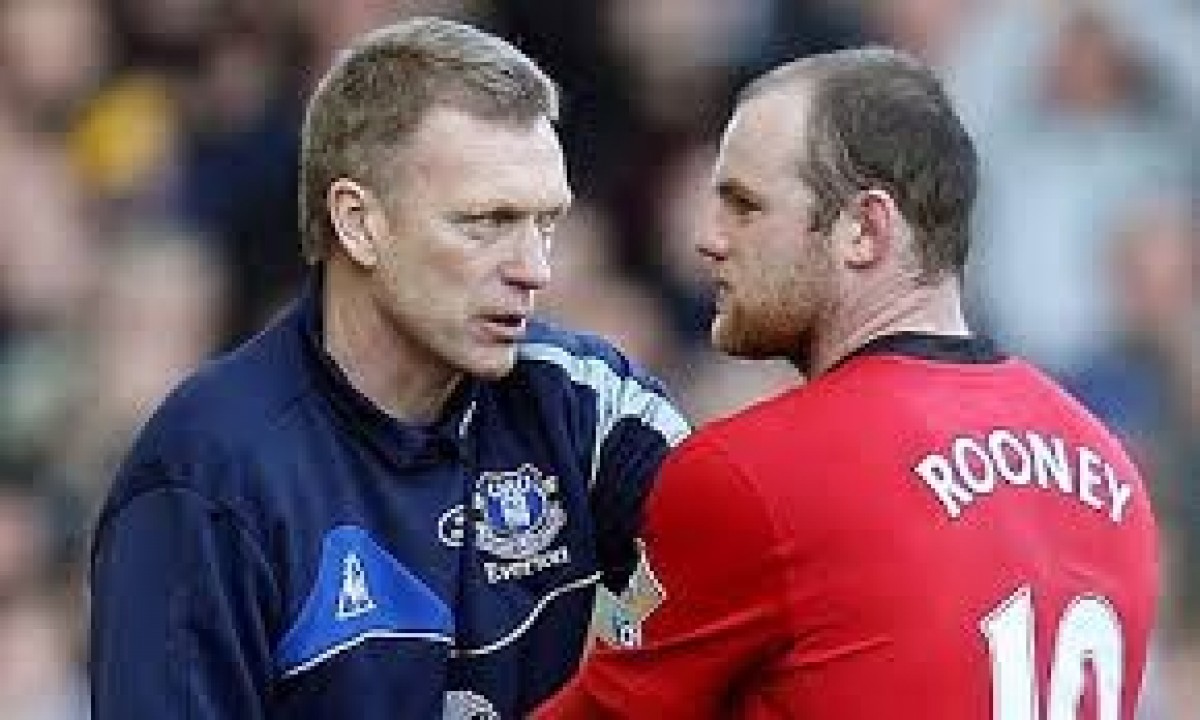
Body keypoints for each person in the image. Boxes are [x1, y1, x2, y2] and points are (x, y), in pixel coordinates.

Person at [88, 17, 689, 720]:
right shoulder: (210, 473)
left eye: (545, 223)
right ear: (358, 222)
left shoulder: (586, 404)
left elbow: (769, 563)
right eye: (485, 222)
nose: (535, 269)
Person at [535, 47, 1159, 719]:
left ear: (864, 229)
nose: (708, 238)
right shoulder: (1112, 473)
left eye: (744, 206)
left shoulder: (754, 474)